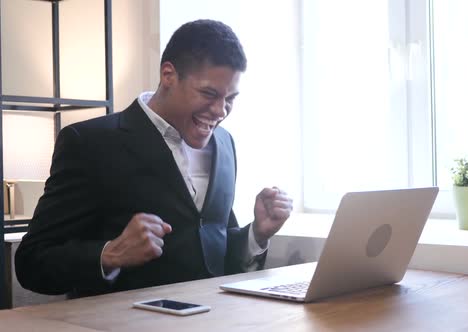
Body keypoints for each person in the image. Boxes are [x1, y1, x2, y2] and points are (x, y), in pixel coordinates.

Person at [15, 19, 293, 298]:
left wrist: (257, 234)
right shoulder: (89, 143)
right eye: (209, 94)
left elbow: (211, 249)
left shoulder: (224, 142)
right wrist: (110, 253)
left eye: (230, 98)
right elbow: (31, 262)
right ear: (168, 75)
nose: (221, 110)